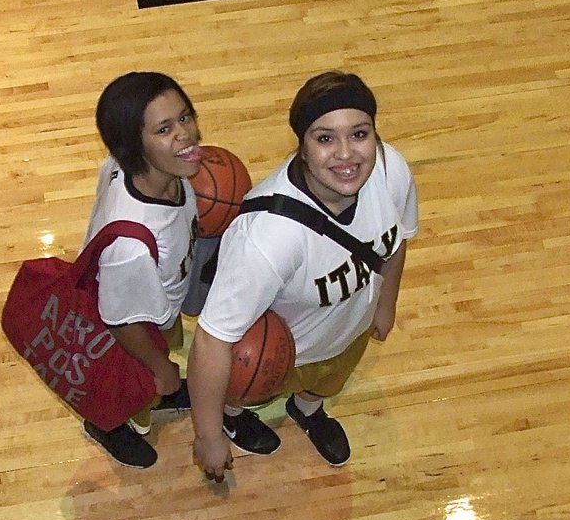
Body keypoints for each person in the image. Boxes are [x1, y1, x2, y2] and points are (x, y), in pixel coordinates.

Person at [189, 71, 418, 480]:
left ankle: (307, 409)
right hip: (280, 350)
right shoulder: (268, 236)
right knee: (241, 383)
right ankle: (233, 416)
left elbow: (396, 240)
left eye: (359, 134)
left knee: (328, 381)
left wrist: (387, 301)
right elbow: (211, 339)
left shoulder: (390, 171)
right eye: (325, 138)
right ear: (302, 145)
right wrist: (208, 436)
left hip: (349, 329)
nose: (346, 154)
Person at [79, 71, 277, 468]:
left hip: (151, 302)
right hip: (132, 328)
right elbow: (121, 323)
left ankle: (154, 386)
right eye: (164, 129)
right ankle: (110, 424)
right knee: (135, 388)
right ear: (133, 145)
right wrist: (159, 368)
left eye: (185, 117)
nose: (185, 134)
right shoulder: (130, 249)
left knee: (160, 364)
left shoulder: (148, 170)